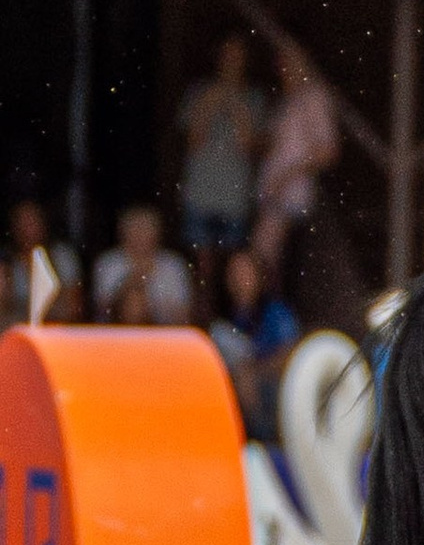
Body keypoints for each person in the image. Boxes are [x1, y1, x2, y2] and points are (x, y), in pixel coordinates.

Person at [176, 34, 269, 267]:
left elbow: (250, 145)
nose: (232, 60)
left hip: (234, 198)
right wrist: (213, 99)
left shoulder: (255, 98)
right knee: (202, 268)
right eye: (227, 54)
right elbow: (192, 140)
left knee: (232, 265)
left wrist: (236, 103)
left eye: (237, 55)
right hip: (200, 193)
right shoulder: (198, 91)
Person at [252, 41, 340, 280]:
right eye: (281, 62)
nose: (285, 68)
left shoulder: (314, 97)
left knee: (263, 259)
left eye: (291, 61)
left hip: (291, 194)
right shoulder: (287, 99)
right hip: (273, 192)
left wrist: (286, 176)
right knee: (269, 263)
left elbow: (328, 151)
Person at [211, 246, 300, 442]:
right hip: (232, 387)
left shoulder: (276, 312)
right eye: (234, 272)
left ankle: (265, 441)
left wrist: (254, 371)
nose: (240, 279)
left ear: (259, 276)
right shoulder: (224, 318)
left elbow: (290, 355)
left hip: (272, 385)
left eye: (245, 272)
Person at [90, 201, 193, 326]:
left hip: (162, 334)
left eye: (145, 228)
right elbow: (102, 307)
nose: (139, 234)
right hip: (116, 332)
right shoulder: (108, 262)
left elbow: (183, 313)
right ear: (122, 231)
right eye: (135, 228)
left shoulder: (173, 264)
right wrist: (135, 280)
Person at [2, 194, 79, 326]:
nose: (26, 229)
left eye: (32, 221)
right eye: (21, 222)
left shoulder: (63, 256)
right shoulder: (6, 261)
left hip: (55, 330)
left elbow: (73, 308)